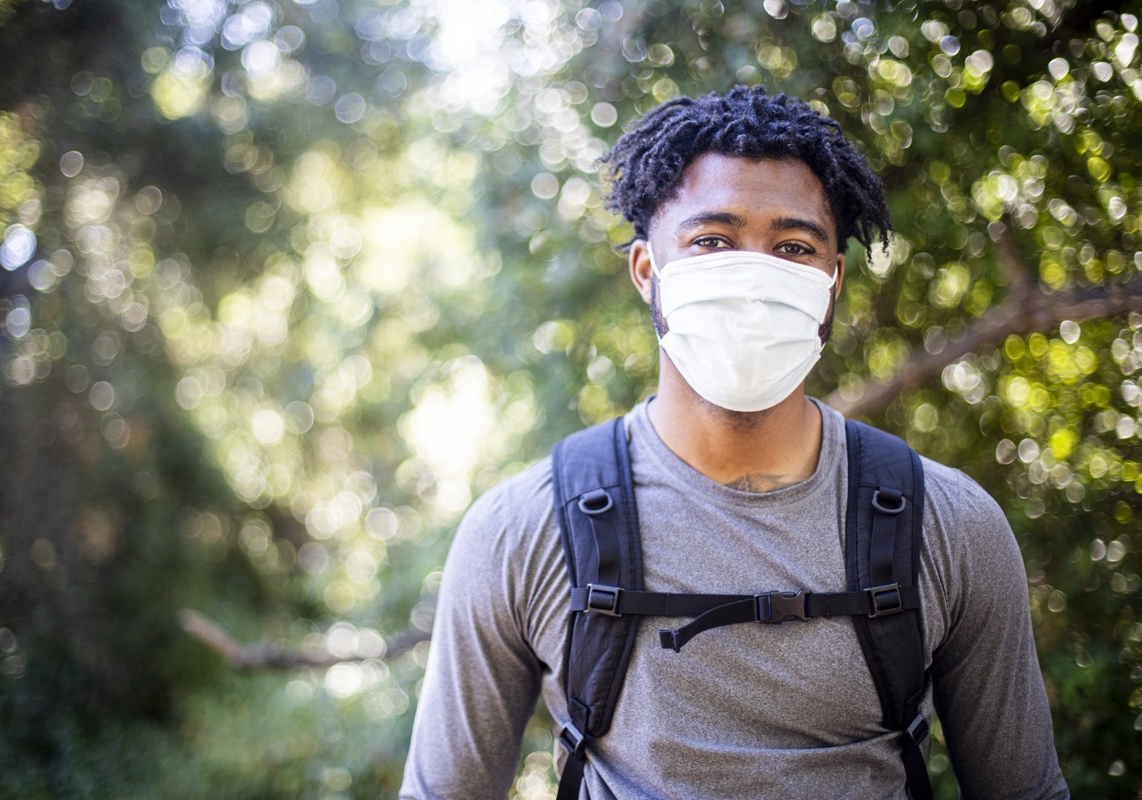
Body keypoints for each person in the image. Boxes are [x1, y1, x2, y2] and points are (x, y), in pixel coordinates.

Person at [399, 86, 1067, 799]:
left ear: (832, 281)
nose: (753, 276)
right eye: (711, 241)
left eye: (793, 247)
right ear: (647, 272)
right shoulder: (523, 529)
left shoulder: (951, 526)